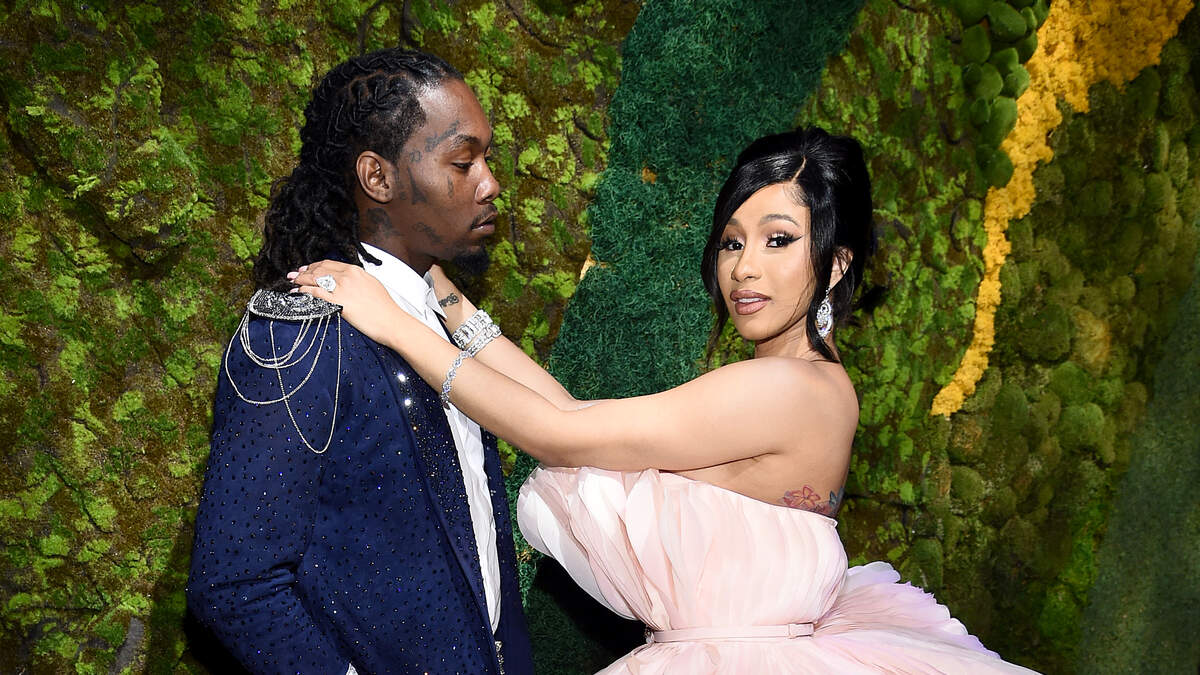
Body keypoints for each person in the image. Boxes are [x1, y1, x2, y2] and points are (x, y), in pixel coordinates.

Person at [290, 127, 1039, 673]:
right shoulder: (816, 386)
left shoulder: (786, 388)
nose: (744, 269)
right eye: (732, 241)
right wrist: (442, 294)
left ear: (836, 263)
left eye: (778, 240)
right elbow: (577, 418)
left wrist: (394, 324)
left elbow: (555, 432)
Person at [186, 48, 533, 675]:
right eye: (463, 162)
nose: (490, 184)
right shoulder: (297, 333)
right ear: (378, 177)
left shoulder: (442, 314)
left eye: (488, 159)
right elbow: (235, 584)